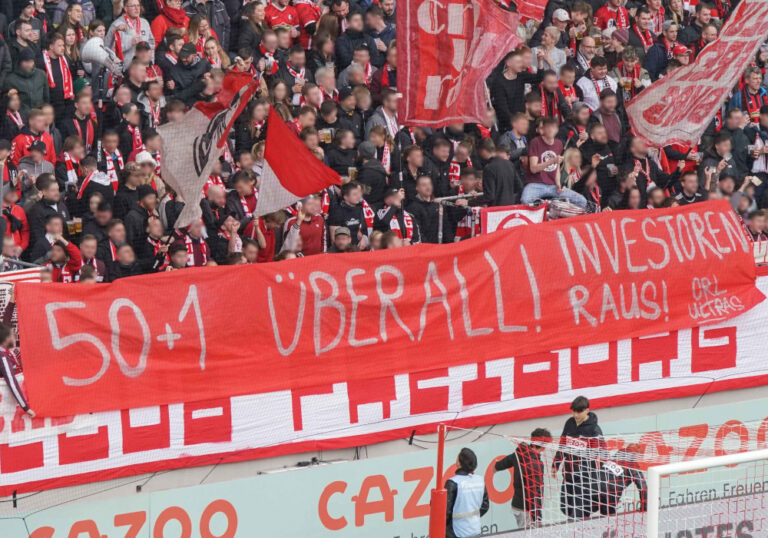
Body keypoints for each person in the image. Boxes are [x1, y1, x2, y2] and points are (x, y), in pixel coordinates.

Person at [552, 396, 605, 520]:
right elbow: (562, 446)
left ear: (587, 410)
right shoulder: (569, 423)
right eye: (573, 411)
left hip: (585, 478)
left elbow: (603, 454)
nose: (575, 415)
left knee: (579, 513)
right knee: (566, 508)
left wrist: (601, 475)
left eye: (579, 412)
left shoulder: (594, 430)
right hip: (569, 474)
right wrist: (556, 465)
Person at [522, 117, 586, 207]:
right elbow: (533, 169)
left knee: (581, 201)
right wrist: (552, 161)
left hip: (553, 186)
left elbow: (557, 168)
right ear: (543, 129)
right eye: (548, 127)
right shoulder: (535, 142)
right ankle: (544, 209)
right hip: (536, 183)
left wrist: (558, 184)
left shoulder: (558, 144)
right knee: (525, 200)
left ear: (557, 130)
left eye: (553, 127)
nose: (551, 130)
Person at [494, 428, 552, 528]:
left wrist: (496, 467)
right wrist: (537, 518)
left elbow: (507, 461)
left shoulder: (521, 452)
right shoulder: (536, 464)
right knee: (527, 533)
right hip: (526, 510)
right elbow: (534, 493)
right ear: (544, 447)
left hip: (517, 505)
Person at [445, 447, 489, 538]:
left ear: (459, 463)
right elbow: (485, 506)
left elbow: (445, 512)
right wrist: (471, 519)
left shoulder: (453, 483)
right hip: (475, 530)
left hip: (455, 532)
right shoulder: (480, 480)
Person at [0, 321, 32, 416]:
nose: (14, 338)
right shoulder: (3, 356)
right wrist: (25, 407)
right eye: (12, 335)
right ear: (6, 338)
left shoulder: (7, 351)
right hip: (11, 406)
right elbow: (11, 382)